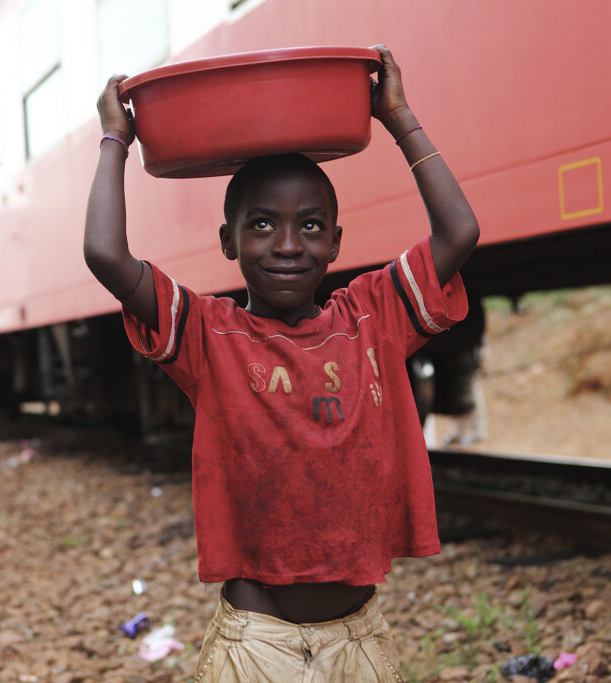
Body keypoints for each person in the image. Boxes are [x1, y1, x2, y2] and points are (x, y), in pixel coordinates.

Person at [84, 44, 479, 682]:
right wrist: (115, 140)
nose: (290, 245)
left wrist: (399, 117)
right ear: (227, 241)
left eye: (312, 226)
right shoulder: (207, 334)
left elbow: (459, 233)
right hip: (256, 644)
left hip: (358, 640)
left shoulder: (373, 316)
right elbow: (105, 254)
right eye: (262, 225)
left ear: (336, 243)